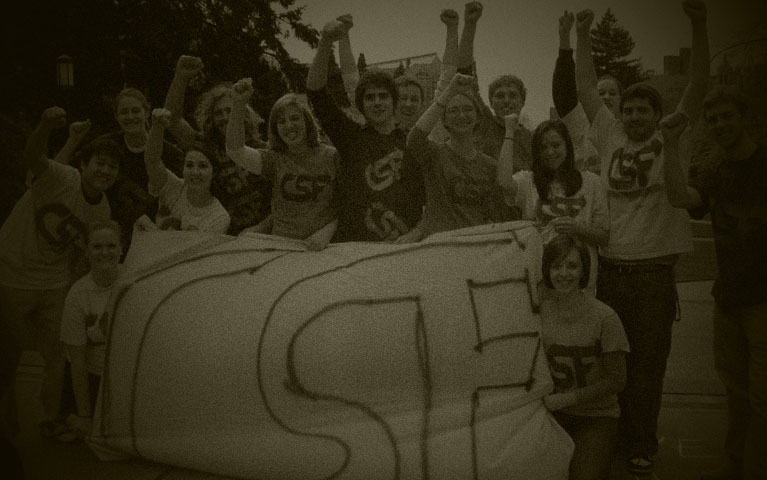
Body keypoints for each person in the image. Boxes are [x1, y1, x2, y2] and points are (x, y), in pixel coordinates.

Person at [574, 1, 710, 473]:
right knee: (613, 364)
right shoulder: (610, 134)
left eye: (641, 110)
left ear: (657, 113)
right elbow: (587, 87)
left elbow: (699, 86)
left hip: (653, 276)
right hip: (612, 271)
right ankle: (613, 435)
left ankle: (641, 443)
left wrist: (699, 23)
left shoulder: (673, 135)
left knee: (649, 368)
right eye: (627, 109)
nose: (632, 116)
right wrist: (583, 33)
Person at [663, 85, 766, 480]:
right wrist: (670, 145)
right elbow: (678, 197)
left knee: (762, 397)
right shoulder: (715, 169)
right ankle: (736, 461)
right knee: (736, 394)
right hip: (728, 299)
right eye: (712, 119)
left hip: (764, 301)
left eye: (727, 116)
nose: (720, 124)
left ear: (745, 118)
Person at [0, 106, 120, 439]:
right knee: (6, 353)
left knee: (60, 352)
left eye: (112, 167)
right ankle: (6, 414)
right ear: (83, 165)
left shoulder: (102, 208)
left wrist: (82, 294)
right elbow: (32, 155)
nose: (105, 171)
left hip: (54, 282)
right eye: (100, 162)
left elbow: (89, 252)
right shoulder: (59, 176)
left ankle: (50, 418)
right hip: (11, 272)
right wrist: (45, 124)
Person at [306, 16, 423, 242]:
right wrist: (325, 42)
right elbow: (316, 93)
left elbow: (430, 199)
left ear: (394, 101)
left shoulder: (412, 143)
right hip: (355, 248)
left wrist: (417, 232)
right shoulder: (350, 137)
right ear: (361, 105)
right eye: (370, 98)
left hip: (404, 249)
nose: (377, 102)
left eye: (383, 96)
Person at [540, 234, 628, 480]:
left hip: (596, 417)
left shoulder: (604, 317)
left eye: (572, 265)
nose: (563, 273)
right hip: (551, 415)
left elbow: (617, 381)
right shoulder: (538, 313)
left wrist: (567, 399)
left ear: (584, 270)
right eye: (556, 265)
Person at [499, 117, 608, 294]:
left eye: (556, 145)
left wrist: (577, 228)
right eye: (543, 147)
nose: (550, 152)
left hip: (579, 279)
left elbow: (603, 237)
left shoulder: (591, 182)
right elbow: (503, 181)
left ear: (567, 146)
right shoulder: (529, 181)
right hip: (539, 277)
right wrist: (509, 132)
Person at [163, 57, 272, 235]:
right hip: (223, 234)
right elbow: (172, 119)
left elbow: (283, 198)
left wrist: (262, 228)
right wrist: (180, 77)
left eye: (229, 110)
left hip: (267, 233)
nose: (224, 117)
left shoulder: (262, 149)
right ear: (211, 119)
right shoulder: (206, 148)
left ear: (243, 113)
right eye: (218, 113)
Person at [226, 80, 338, 250]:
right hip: (282, 247)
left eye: (295, 118)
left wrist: (328, 231)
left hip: (323, 247)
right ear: (275, 128)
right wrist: (238, 103)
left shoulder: (331, 156)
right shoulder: (274, 159)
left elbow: (348, 203)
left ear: (307, 122)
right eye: (281, 121)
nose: (289, 126)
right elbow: (236, 151)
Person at [403, 73, 513, 240]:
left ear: (477, 118)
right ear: (444, 120)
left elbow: (494, 214)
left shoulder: (490, 165)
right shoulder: (434, 154)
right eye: (453, 111)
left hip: (474, 245)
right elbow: (414, 139)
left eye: (468, 109)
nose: (461, 116)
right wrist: (449, 91)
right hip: (440, 245)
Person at [444, 2, 533, 168]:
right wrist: (470, 24)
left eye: (513, 95)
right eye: (499, 95)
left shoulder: (533, 139)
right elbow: (464, 73)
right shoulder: (483, 122)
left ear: (523, 101)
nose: (506, 100)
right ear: (490, 102)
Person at [57, 220, 124, 442]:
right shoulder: (77, 296)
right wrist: (85, 415)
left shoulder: (134, 283)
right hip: (93, 376)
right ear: (87, 252)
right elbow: (77, 361)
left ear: (122, 249)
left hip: (124, 377)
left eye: (111, 246)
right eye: (97, 247)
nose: (105, 252)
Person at [101, 88, 184, 253]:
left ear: (147, 112)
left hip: (158, 236)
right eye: (124, 112)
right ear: (116, 117)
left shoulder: (169, 153)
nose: (130, 117)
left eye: (136, 110)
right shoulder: (106, 146)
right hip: (117, 239)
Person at [138, 108, 230, 233]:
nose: (195, 172)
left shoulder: (219, 216)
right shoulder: (173, 187)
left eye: (202, 166)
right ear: (183, 169)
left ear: (214, 172)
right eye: (189, 165)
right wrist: (157, 127)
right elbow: (152, 160)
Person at [336, 15, 426, 132]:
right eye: (403, 98)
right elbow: (352, 83)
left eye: (414, 99)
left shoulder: (425, 136)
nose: (408, 104)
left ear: (422, 104)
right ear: (392, 100)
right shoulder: (371, 128)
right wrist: (343, 34)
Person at [552, 10, 601, 174]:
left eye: (612, 93)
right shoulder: (580, 124)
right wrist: (565, 39)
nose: (606, 97)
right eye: (602, 93)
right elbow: (563, 91)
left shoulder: (626, 129)